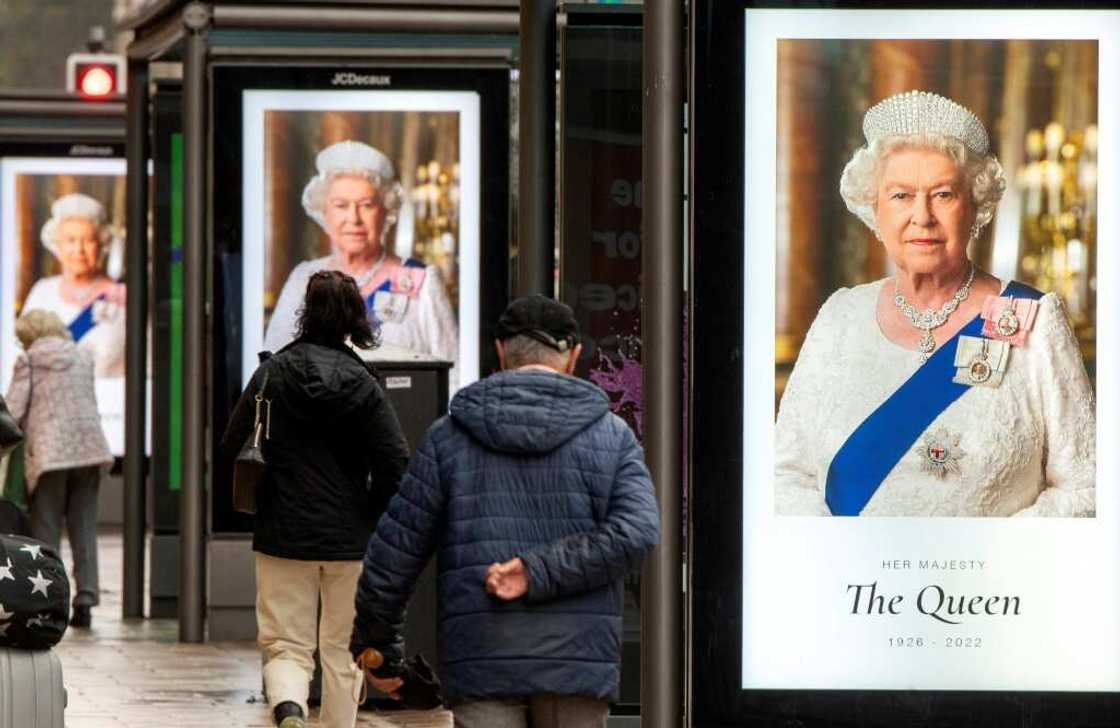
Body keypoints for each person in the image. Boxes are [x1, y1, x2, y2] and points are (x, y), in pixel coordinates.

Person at [775, 89, 1096, 517]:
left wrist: (987, 558)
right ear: (876, 209)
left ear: (975, 206)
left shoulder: (1035, 321)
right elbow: (786, 475)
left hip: (988, 584)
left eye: (943, 194)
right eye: (901, 196)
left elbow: (1088, 486)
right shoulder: (839, 316)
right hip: (859, 584)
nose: (921, 216)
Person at [350, 295, 660, 728]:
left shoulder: (449, 438)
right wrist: (539, 572)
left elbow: (395, 551)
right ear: (572, 356)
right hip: (577, 661)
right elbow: (638, 532)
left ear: (499, 350)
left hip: (481, 657)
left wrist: (379, 646)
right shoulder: (613, 438)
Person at [219, 270, 410, 728]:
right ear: (352, 316)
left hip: (282, 531)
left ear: (306, 311)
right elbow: (396, 460)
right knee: (344, 648)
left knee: (287, 644)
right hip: (349, 539)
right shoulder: (365, 383)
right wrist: (369, 508)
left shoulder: (272, 373)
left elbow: (232, 445)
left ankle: (289, 709)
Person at [263, 140, 459, 384]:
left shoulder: (421, 279)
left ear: (386, 210)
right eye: (341, 205)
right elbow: (272, 370)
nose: (353, 218)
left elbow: (453, 376)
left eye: (367, 205)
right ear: (324, 212)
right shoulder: (303, 278)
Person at [4, 309, 113, 628]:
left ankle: (52, 595)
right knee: (84, 527)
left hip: (51, 454)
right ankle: (86, 599)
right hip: (90, 450)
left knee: (46, 528)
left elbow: (12, 410)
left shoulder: (31, 361)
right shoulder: (82, 356)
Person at [24, 193, 126, 379]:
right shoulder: (42, 292)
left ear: (101, 245)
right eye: (70, 240)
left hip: (108, 404)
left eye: (88, 240)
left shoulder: (121, 297)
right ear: (58, 246)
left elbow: (147, 367)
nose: (79, 250)